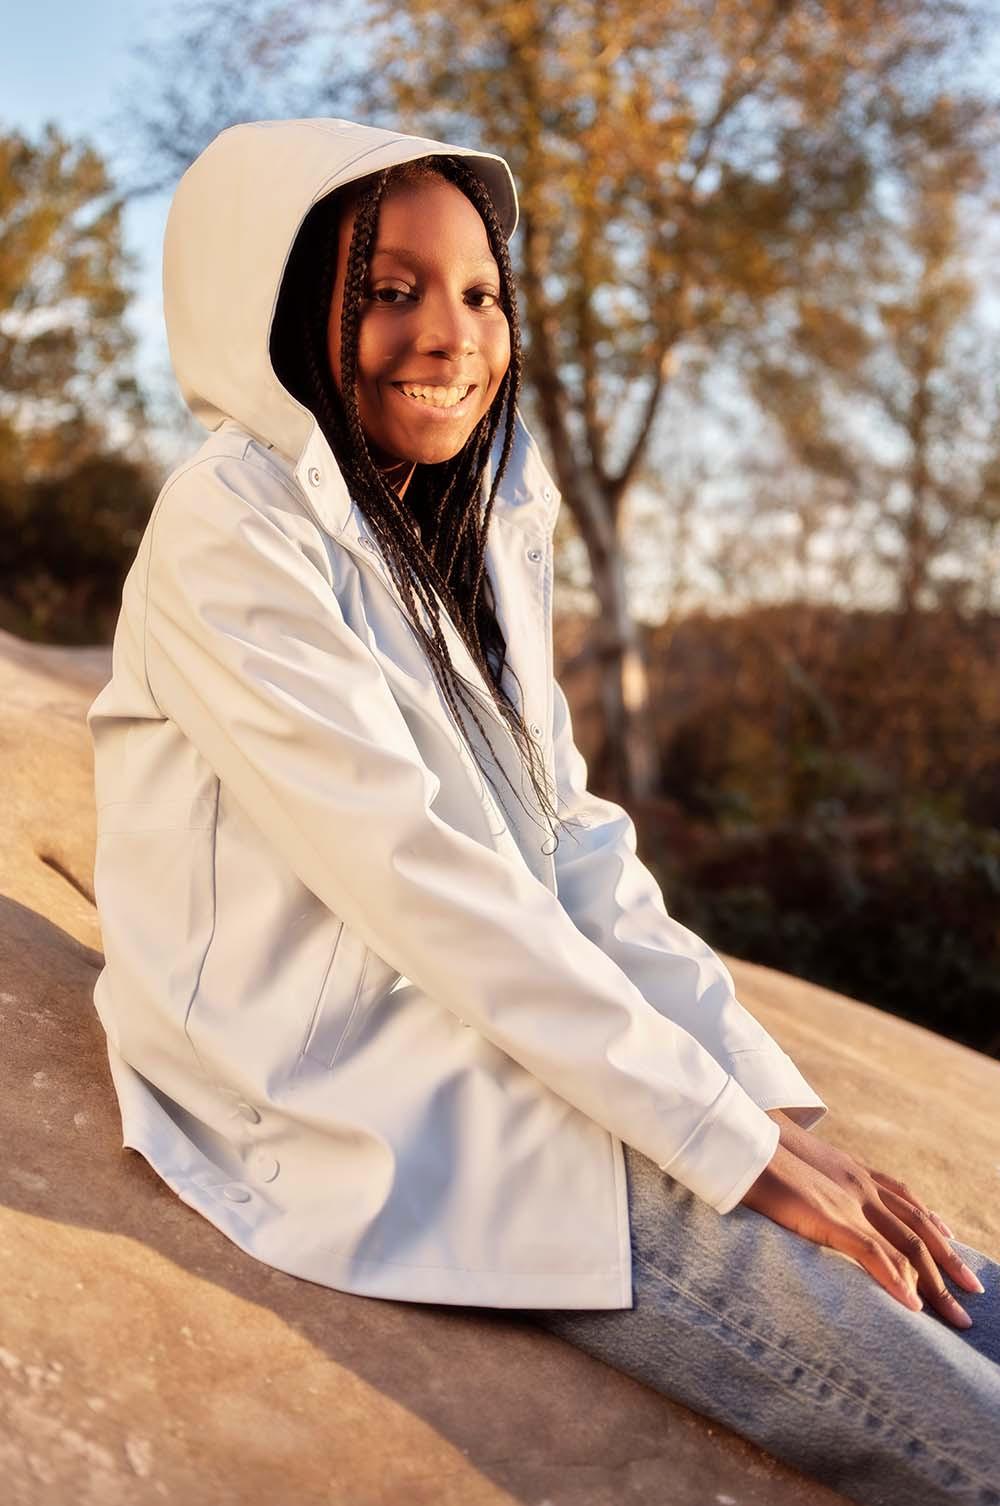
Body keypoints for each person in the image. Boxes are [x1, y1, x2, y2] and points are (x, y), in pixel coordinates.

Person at [85, 118, 1000, 1505]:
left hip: (509, 1020)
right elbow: (422, 880)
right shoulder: (233, 527)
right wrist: (733, 1156)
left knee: (942, 1277)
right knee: (931, 1394)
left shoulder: (459, 521)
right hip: (345, 1082)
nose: (451, 334)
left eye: (480, 292)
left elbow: (568, 841)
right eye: (389, 290)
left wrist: (773, 1109)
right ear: (273, 304)